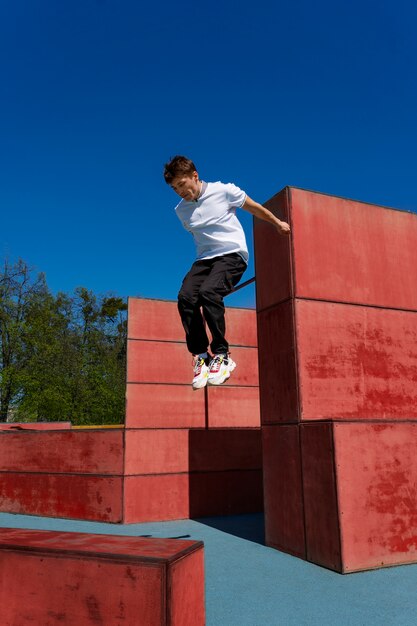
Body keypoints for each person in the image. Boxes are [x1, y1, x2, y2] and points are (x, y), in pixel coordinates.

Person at [164, 155, 290, 390]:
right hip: (205, 260)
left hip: (232, 255)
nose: (180, 192)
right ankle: (202, 356)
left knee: (209, 292)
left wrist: (277, 223)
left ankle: (222, 355)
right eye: (174, 189)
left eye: (182, 185)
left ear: (195, 176)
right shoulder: (180, 211)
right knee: (186, 297)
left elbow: (254, 208)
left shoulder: (224, 191)